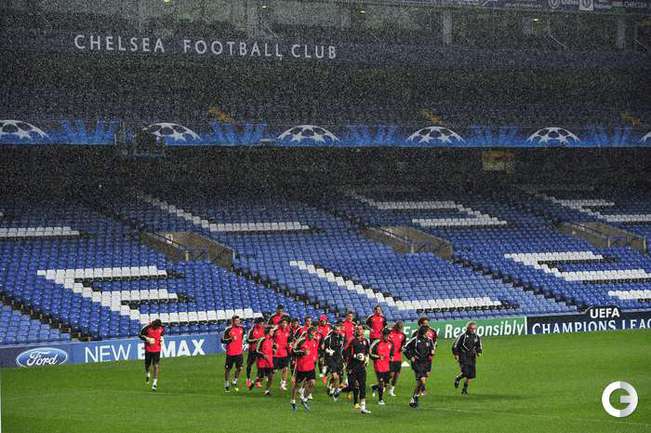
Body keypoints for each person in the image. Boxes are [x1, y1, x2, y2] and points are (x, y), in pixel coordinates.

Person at [404, 325, 436, 408]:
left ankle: (415, 397)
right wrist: (410, 357)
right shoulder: (415, 340)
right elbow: (405, 348)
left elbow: (432, 349)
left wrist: (432, 352)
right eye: (428, 331)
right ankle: (415, 398)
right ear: (424, 332)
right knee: (422, 380)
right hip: (417, 363)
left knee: (420, 382)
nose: (429, 332)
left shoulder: (429, 340)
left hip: (427, 363)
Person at [344, 324, 372, 414]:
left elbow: (367, 352)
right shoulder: (352, 340)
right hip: (352, 367)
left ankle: (363, 407)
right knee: (352, 385)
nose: (359, 331)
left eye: (361, 329)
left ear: (363, 331)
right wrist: (355, 356)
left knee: (362, 386)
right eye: (358, 329)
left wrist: (366, 358)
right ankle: (339, 390)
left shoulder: (366, 341)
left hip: (361, 367)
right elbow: (344, 351)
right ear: (355, 331)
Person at [291, 327, 319, 412]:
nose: (313, 336)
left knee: (312, 383)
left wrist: (315, 358)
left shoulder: (315, 341)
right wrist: (303, 352)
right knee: (297, 385)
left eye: (314, 335)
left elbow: (315, 351)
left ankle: (304, 399)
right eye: (311, 335)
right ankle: (293, 401)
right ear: (308, 334)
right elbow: (293, 351)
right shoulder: (301, 341)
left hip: (311, 366)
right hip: (301, 367)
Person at [452, 321, 483, 395]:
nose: (473, 330)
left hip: (472, 356)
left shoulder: (476, 337)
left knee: (471, 375)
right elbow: (455, 345)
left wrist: (479, 352)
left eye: (474, 329)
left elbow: (479, 346)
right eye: (471, 328)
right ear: (468, 328)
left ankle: (464, 389)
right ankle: (458, 378)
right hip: (463, 355)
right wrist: (456, 354)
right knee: (465, 372)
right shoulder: (463, 336)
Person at [411, 316, 437, 396]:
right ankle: (422, 389)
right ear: (420, 324)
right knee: (420, 376)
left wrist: (433, 350)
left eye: (427, 323)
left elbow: (434, 342)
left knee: (427, 374)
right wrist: (412, 356)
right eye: (424, 323)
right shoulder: (416, 333)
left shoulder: (433, 331)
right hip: (418, 358)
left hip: (428, 357)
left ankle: (420, 387)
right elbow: (412, 346)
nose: (426, 325)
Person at [321, 320, 346, 400]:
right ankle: (335, 392)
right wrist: (329, 352)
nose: (338, 331)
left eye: (339, 330)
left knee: (340, 376)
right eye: (336, 330)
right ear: (334, 330)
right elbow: (324, 348)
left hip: (339, 358)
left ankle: (332, 387)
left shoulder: (342, 337)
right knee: (336, 377)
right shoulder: (328, 338)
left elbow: (342, 348)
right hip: (331, 359)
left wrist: (343, 358)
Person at [139, 319, 165, 392]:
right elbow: (140, 335)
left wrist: (162, 339)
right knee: (147, 365)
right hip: (148, 349)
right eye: (158, 326)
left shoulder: (161, 328)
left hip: (157, 350)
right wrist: (147, 339)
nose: (159, 327)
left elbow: (162, 334)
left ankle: (154, 383)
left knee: (156, 366)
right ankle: (147, 373)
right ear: (154, 325)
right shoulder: (147, 327)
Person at [370, 328, 394, 405]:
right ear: (382, 335)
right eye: (386, 336)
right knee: (381, 382)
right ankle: (380, 399)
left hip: (387, 365)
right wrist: (378, 357)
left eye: (388, 335)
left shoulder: (391, 343)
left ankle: (374, 387)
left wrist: (391, 357)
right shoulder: (377, 342)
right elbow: (370, 353)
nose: (387, 337)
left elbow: (391, 352)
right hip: (378, 365)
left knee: (386, 383)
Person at [221, 315, 244, 392]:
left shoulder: (242, 329)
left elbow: (241, 338)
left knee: (240, 368)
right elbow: (222, 340)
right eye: (236, 321)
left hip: (239, 353)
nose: (238, 322)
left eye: (239, 320)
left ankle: (234, 381)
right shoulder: (228, 330)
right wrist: (230, 339)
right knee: (228, 369)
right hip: (230, 353)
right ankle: (226, 383)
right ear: (233, 321)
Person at [252, 326, 275, 396]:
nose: (273, 332)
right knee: (261, 377)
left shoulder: (271, 340)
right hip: (262, 362)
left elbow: (271, 349)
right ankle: (253, 383)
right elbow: (256, 351)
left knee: (271, 377)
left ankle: (267, 391)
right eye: (272, 331)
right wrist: (263, 355)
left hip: (269, 362)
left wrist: (274, 349)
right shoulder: (262, 339)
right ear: (268, 332)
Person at [245, 317, 266, 389]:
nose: (261, 324)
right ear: (257, 323)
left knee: (260, 366)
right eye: (260, 323)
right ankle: (248, 379)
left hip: (260, 351)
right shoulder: (252, 330)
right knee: (249, 364)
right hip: (253, 350)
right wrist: (255, 340)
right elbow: (247, 340)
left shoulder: (264, 329)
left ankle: (258, 381)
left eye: (262, 323)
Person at [388, 321, 407, 396]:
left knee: (397, 375)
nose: (400, 329)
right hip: (390, 357)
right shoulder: (390, 333)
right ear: (396, 327)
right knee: (391, 374)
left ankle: (391, 390)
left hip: (398, 357)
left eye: (401, 328)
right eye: (399, 328)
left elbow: (403, 344)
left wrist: (402, 347)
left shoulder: (403, 335)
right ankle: (382, 384)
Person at [273, 318, 291, 390]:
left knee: (285, 369)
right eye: (283, 323)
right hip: (276, 354)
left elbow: (289, 341)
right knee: (273, 371)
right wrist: (274, 344)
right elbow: (270, 338)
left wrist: (289, 345)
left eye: (285, 323)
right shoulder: (276, 331)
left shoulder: (288, 332)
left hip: (284, 353)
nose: (284, 324)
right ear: (280, 324)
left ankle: (283, 384)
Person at [316, 314, 331, 383]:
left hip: (328, 346)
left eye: (324, 321)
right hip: (320, 347)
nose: (323, 322)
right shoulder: (318, 328)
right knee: (321, 361)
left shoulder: (329, 327)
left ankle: (325, 374)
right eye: (321, 321)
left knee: (328, 362)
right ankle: (322, 373)